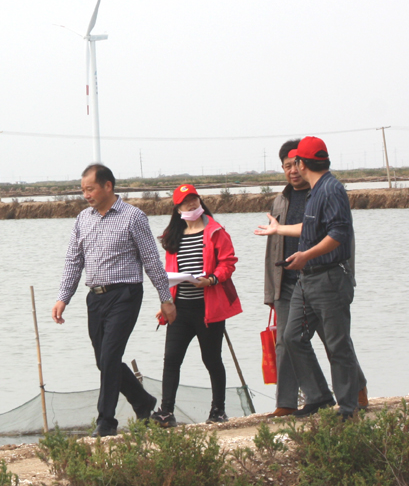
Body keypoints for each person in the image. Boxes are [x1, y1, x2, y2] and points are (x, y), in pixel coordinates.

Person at [52, 164, 177, 437]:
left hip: (125, 294)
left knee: (110, 355)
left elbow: (151, 260)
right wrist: (64, 297)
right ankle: (143, 401)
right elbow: (73, 261)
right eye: (83, 190)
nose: (86, 195)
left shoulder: (133, 217)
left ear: (108, 186)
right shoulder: (82, 219)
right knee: (103, 360)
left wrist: (165, 298)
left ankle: (106, 421)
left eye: (90, 189)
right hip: (95, 298)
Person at [256, 136, 364, 420]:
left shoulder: (331, 189)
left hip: (328, 277)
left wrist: (306, 255)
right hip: (303, 279)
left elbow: (338, 233)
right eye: (287, 165)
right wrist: (279, 230)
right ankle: (319, 397)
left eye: (296, 163)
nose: (293, 169)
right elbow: (310, 227)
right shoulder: (315, 191)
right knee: (291, 338)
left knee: (336, 343)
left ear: (303, 164)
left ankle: (349, 406)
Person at [150, 184, 242, 428]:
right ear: (177, 208)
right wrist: (166, 301)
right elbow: (169, 273)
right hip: (180, 308)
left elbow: (228, 263)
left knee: (211, 359)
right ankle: (166, 412)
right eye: (185, 201)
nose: (191, 204)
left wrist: (211, 279)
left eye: (194, 199)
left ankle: (218, 410)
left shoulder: (215, 231)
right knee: (171, 359)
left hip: (208, 308)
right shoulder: (172, 235)